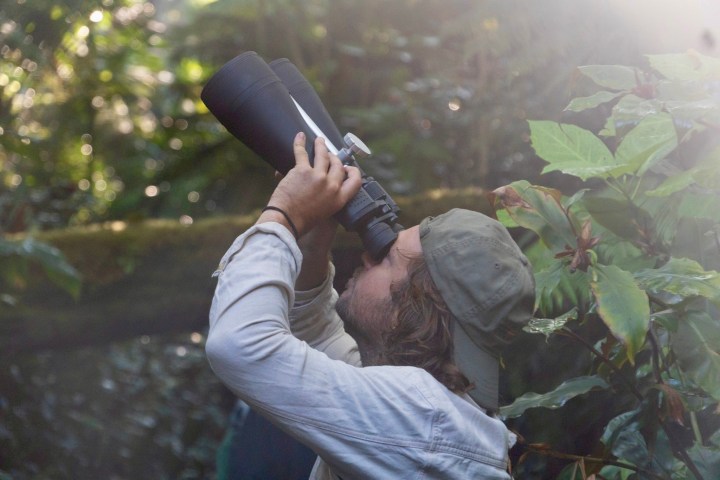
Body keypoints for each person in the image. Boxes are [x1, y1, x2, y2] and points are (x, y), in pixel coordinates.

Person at [206, 132, 535, 479]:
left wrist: (283, 214)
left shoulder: (422, 415)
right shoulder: (440, 415)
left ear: (416, 304)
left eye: (385, 257)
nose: (366, 255)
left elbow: (239, 345)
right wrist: (312, 241)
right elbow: (314, 335)